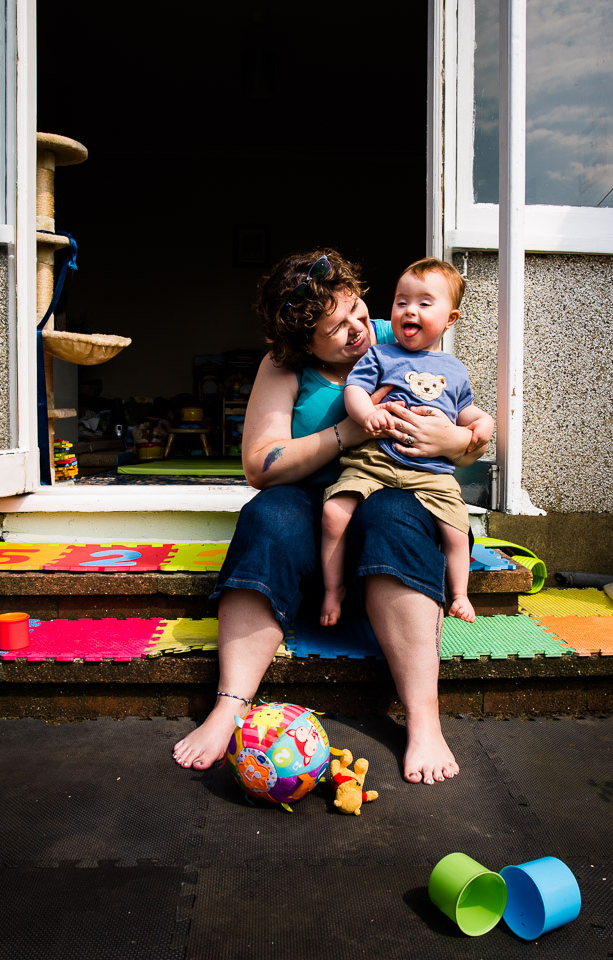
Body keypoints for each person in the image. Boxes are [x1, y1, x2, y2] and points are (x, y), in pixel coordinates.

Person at [171, 249, 493, 784]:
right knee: (267, 516)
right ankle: (229, 705)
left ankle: (424, 718)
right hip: (309, 509)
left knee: (396, 514)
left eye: (358, 312)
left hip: (387, 498)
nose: (359, 330)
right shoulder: (283, 365)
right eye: (336, 328)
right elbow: (259, 465)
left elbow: (469, 424)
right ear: (303, 343)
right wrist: (348, 430)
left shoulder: (402, 334)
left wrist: (457, 440)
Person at [318, 258, 491, 628]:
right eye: (401, 302)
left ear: (450, 319)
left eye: (425, 303)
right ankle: (333, 590)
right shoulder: (379, 354)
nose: (409, 310)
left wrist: (484, 423)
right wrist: (366, 415)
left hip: (431, 473)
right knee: (334, 513)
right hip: (374, 463)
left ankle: (459, 594)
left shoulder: (454, 370)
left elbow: (466, 413)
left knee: (457, 531)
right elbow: (356, 389)